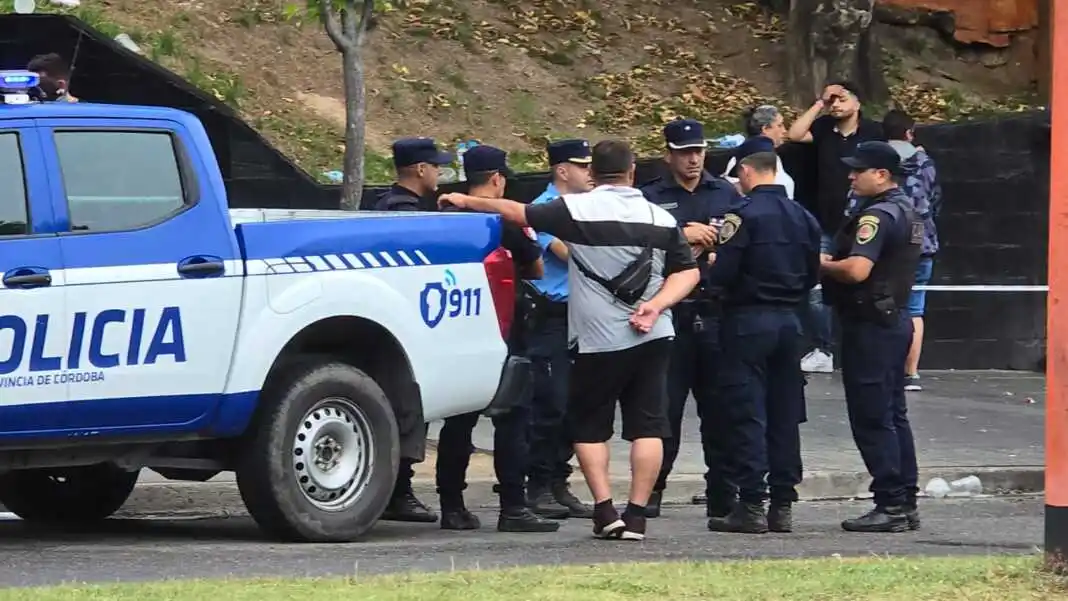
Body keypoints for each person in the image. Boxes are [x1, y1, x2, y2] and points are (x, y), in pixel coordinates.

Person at [439, 139, 701, 541]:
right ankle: (636, 515)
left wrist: (462, 199)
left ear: (594, 173)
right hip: (654, 333)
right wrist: (656, 305)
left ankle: (604, 509)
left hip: (598, 339)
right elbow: (688, 273)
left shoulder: (576, 209)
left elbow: (515, 211)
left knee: (590, 426)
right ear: (633, 172)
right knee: (648, 426)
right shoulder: (660, 218)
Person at [434, 144, 558, 533]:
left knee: (458, 422)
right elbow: (536, 268)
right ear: (498, 179)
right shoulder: (505, 220)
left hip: (456, 325)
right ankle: (513, 506)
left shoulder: (444, 216)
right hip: (505, 329)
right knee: (513, 420)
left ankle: (452, 506)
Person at [703, 136, 821, 534]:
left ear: (747, 172)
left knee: (748, 410)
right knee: (785, 413)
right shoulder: (804, 216)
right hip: (790, 322)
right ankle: (783, 503)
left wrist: (713, 275)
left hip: (748, 321)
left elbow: (723, 274)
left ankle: (752, 503)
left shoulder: (742, 216)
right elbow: (811, 273)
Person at [639, 118, 741, 520]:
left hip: (715, 310)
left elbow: (739, 242)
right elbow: (641, 245)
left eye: (698, 151)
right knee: (664, 409)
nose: (694, 159)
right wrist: (685, 236)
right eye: (685, 152)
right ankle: (652, 489)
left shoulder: (725, 192)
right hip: (670, 314)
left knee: (721, 411)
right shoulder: (651, 196)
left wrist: (714, 249)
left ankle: (723, 493)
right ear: (669, 155)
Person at [820, 141, 922, 533]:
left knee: (873, 418)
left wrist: (824, 266)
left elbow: (858, 270)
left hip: (871, 326)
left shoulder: (877, 216)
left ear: (882, 174)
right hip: (893, 321)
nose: (851, 176)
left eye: (858, 170)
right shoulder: (907, 210)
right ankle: (904, 500)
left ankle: (891, 503)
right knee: (894, 414)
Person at [375, 138, 453, 523]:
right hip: (407, 325)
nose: (439, 173)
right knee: (407, 411)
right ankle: (398, 493)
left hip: (397, 325)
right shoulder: (406, 213)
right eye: (436, 167)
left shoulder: (387, 205)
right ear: (421, 170)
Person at [787, 81, 885, 374]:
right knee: (817, 285)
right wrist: (819, 103)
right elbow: (793, 134)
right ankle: (823, 348)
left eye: (841, 99)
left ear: (857, 103)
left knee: (863, 279)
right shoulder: (823, 130)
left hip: (861, 221)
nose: (836, 105)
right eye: (833, 101)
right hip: (825, 221)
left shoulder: (872, 132)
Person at [523, 139, 595, 520]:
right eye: (582, 166)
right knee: (549, 403)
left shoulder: (583, 208)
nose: (590, 173)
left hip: (580, 316)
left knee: (574, 405)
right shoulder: (545, 210)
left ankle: (557, 481)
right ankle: (537, 485)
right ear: (562, 170)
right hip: (550, 316)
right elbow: (567, 254)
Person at [884, 111, 942, 392]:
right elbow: (935, 200)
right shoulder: (925, 163)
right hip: (922, 242)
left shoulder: (877, 162)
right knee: (915, 309)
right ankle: (911, 373)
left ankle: (887, 367)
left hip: (886, 244)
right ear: (910, 132)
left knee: (886, 305)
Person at [723, 105, 794, 199]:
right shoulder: (763, 155)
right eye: (779, 125)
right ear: (765, 129)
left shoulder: (751, 150)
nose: (784, 130)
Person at [373, 137, 452, 211]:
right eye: (435, 165)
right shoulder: (406, 210)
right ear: (421, 169)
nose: (440, 172)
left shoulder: (388, 200)